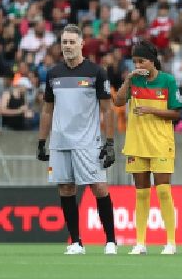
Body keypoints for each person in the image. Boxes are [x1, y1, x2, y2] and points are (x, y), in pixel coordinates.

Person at [37, 24, 118, 255]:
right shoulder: (53, 74)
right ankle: (76, 242)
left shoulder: (96, 72)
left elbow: (107, 109)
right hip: (60, 142)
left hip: (87, 141)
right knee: (65, 188)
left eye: (72, 42)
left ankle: (110, 240)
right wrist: (42, 141)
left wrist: (110, 143)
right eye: (64, 42)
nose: (68, 46)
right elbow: (47, 110)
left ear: (82, 44)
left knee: (99, 187)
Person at [112, 40, 182, 255]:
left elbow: (177, 113)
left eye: (141, 61)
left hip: (161, 143)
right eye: (134, 62)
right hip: (137, 143)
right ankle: (140, 242)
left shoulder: (168, 81)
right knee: (141, 194)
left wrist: (151, 110)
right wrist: (127, 80)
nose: (137, 65)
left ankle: (171, 242)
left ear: (151, 61)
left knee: (163, 191)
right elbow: (118, 102)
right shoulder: (134, 81)